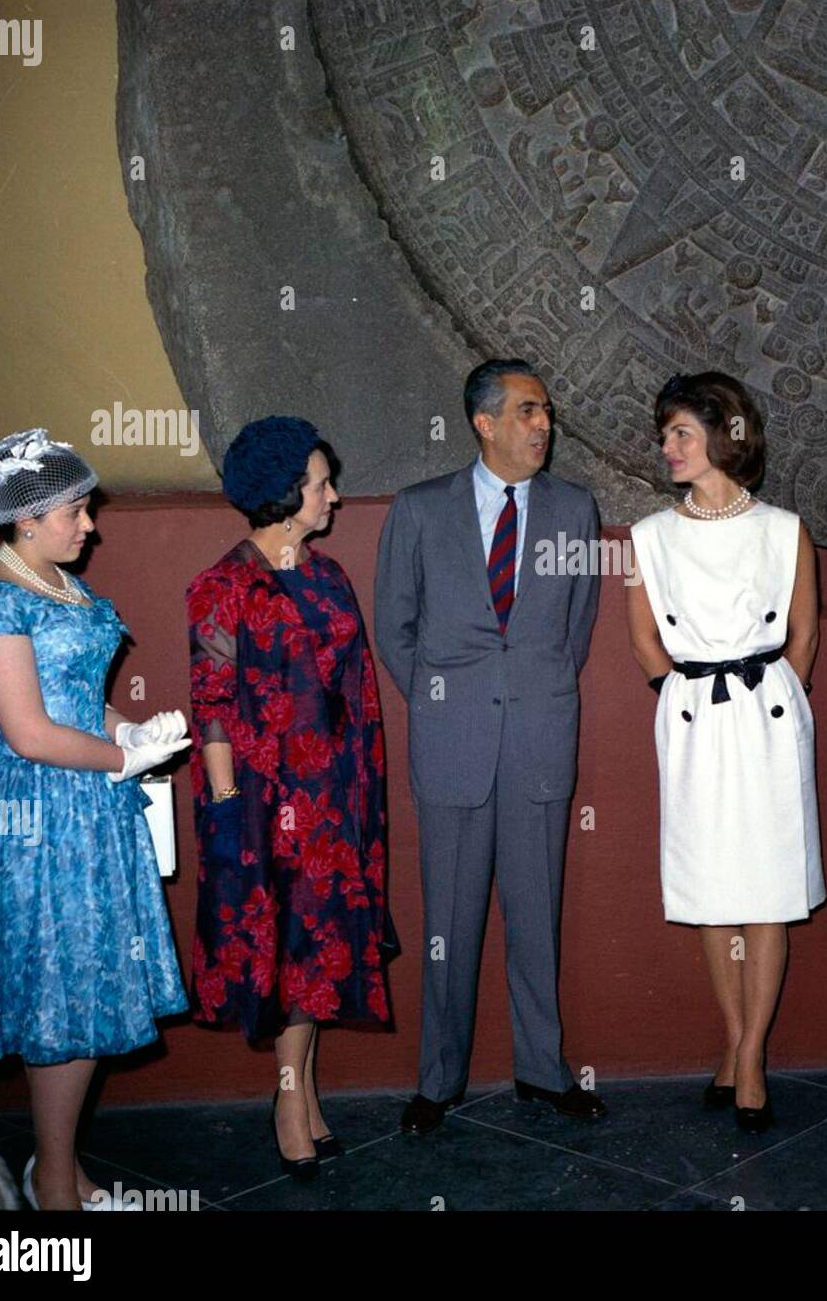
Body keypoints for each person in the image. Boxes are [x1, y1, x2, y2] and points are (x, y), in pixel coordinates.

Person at [0, 429, 190, 1211]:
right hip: (24, 816)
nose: (90, 526)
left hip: (81, 805)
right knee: (56, 990)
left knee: (79, 989)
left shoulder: (63, 589)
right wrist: (123, 761)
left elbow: (80, 706)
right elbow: (28, 732)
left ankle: (60, 1173)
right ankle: (55, 1184)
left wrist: (130, 732)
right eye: (77, 512)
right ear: (28, 517)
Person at [374, 358, 605, 1134]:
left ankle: (542, 1071)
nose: (545, 425)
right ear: (484, 421)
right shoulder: (418, 510)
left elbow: (572, 632)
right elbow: (394, 628)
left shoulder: (576, 511)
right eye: (530, 411)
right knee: (449, 922)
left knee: (536, 915)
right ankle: (437, 1082)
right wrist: (448, 705)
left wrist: (527, 698)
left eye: (546, 412)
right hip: (452, 746)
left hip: (539, 740)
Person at [185, 417, 398, 1179]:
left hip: (335, 792)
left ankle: (303, 1093)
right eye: (319, 485)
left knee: (318, 949)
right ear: (282, 493)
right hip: (262, 801)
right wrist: (227, 808)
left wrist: (358, 790)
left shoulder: (328, 574)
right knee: (286, 952)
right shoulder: (221, 587)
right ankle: (287, 1099)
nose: (333, 496)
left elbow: (355, 690)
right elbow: (210, 703)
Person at [626, 372, 825, 1133]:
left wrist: (774, 706)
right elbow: (643, 638)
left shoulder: (782, 529)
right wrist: (682, 698)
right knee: (713, 891)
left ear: (724, 435)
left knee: (768, 886)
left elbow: (802, 635)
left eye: (680, 432)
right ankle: (742, 1047)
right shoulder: (649, 537)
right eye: (665, 433)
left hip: (767, 719)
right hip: (693, 724)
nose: (666, 446)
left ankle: (745, 1061)